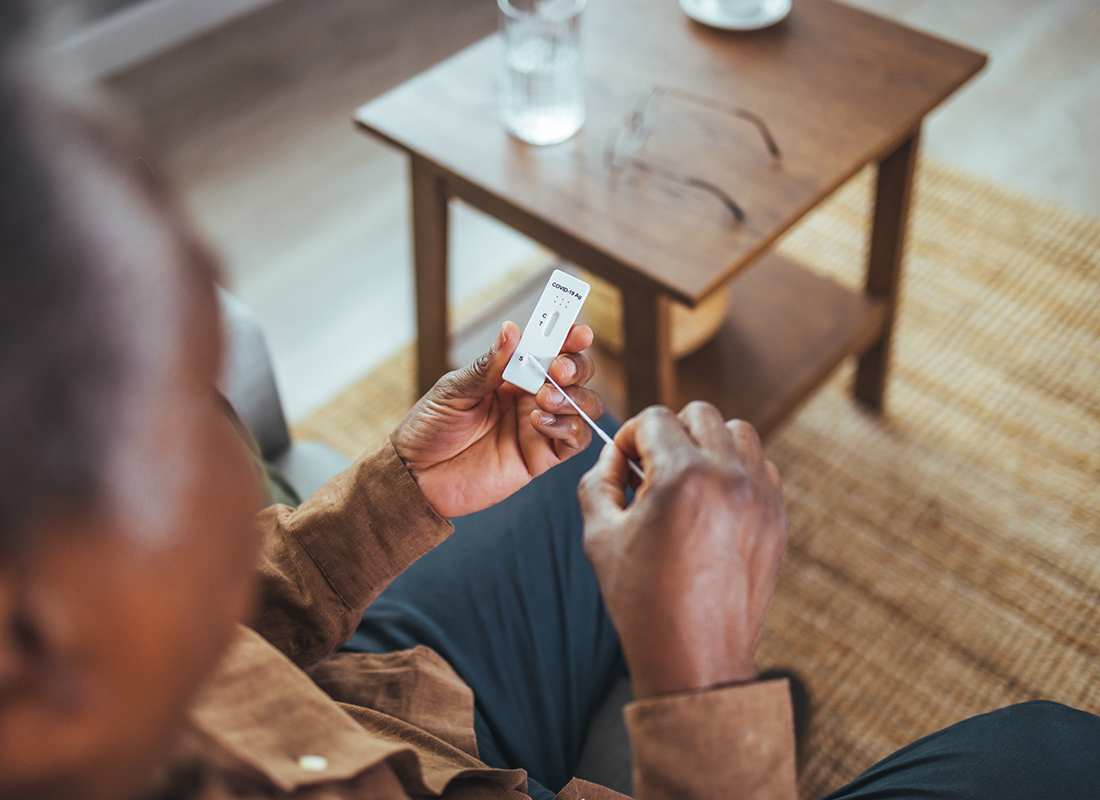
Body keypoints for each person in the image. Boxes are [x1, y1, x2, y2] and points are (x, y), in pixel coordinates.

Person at [2, 8, 1099, 800]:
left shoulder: (78, 669)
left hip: (359, 710)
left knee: (581, 467)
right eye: (188, 442)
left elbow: (239, 621)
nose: (243, 480)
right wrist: (704, 685)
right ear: (32, 642)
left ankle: (626, 720)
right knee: (1058, 757)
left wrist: (397, 494)